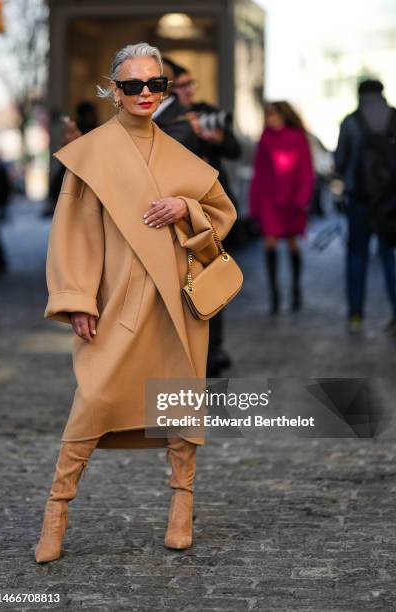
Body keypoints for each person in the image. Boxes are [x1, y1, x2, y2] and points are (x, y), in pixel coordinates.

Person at [34, 42, 237, 563]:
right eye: (132, 85)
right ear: (113, 91)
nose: (145, 93)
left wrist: (187, 207)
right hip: (116, 300)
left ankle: (181, 508)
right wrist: (78, 298)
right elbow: (72, 234)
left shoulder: (182, 156)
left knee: (179, 408)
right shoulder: (91, 154)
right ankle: (56, 513)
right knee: (92, 404)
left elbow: (222, 217)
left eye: (156, 84)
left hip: (176, 303)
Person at [170, 60, 241, 375]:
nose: (189, 91)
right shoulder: (166, 119)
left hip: (211, 208)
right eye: (182, 86)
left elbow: (235, 149)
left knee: (213, 275)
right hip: (179, 208)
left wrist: (213, 138)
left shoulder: (205, 111)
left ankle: (214, 349)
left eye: (191, 84)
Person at [335, 79, 396, 333]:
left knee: (356, 255)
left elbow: (340, 161)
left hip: (359, 201)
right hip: (391, 203)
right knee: (388, 257)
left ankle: (356, 315)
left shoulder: (351, 121)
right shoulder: (395, 118)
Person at [249, 101, 314, 314]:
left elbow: (306, 169)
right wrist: (254, 204)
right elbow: (258, 172)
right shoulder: (265, 139)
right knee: (270, 243)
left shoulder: (297, 137)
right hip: (269, 199)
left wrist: (303, 197)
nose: (271, 119)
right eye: (268, 116)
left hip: (292, 199)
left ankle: (296, 289)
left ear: (283, 116)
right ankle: (274, 294)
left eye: (274, 115)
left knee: (293, 242)